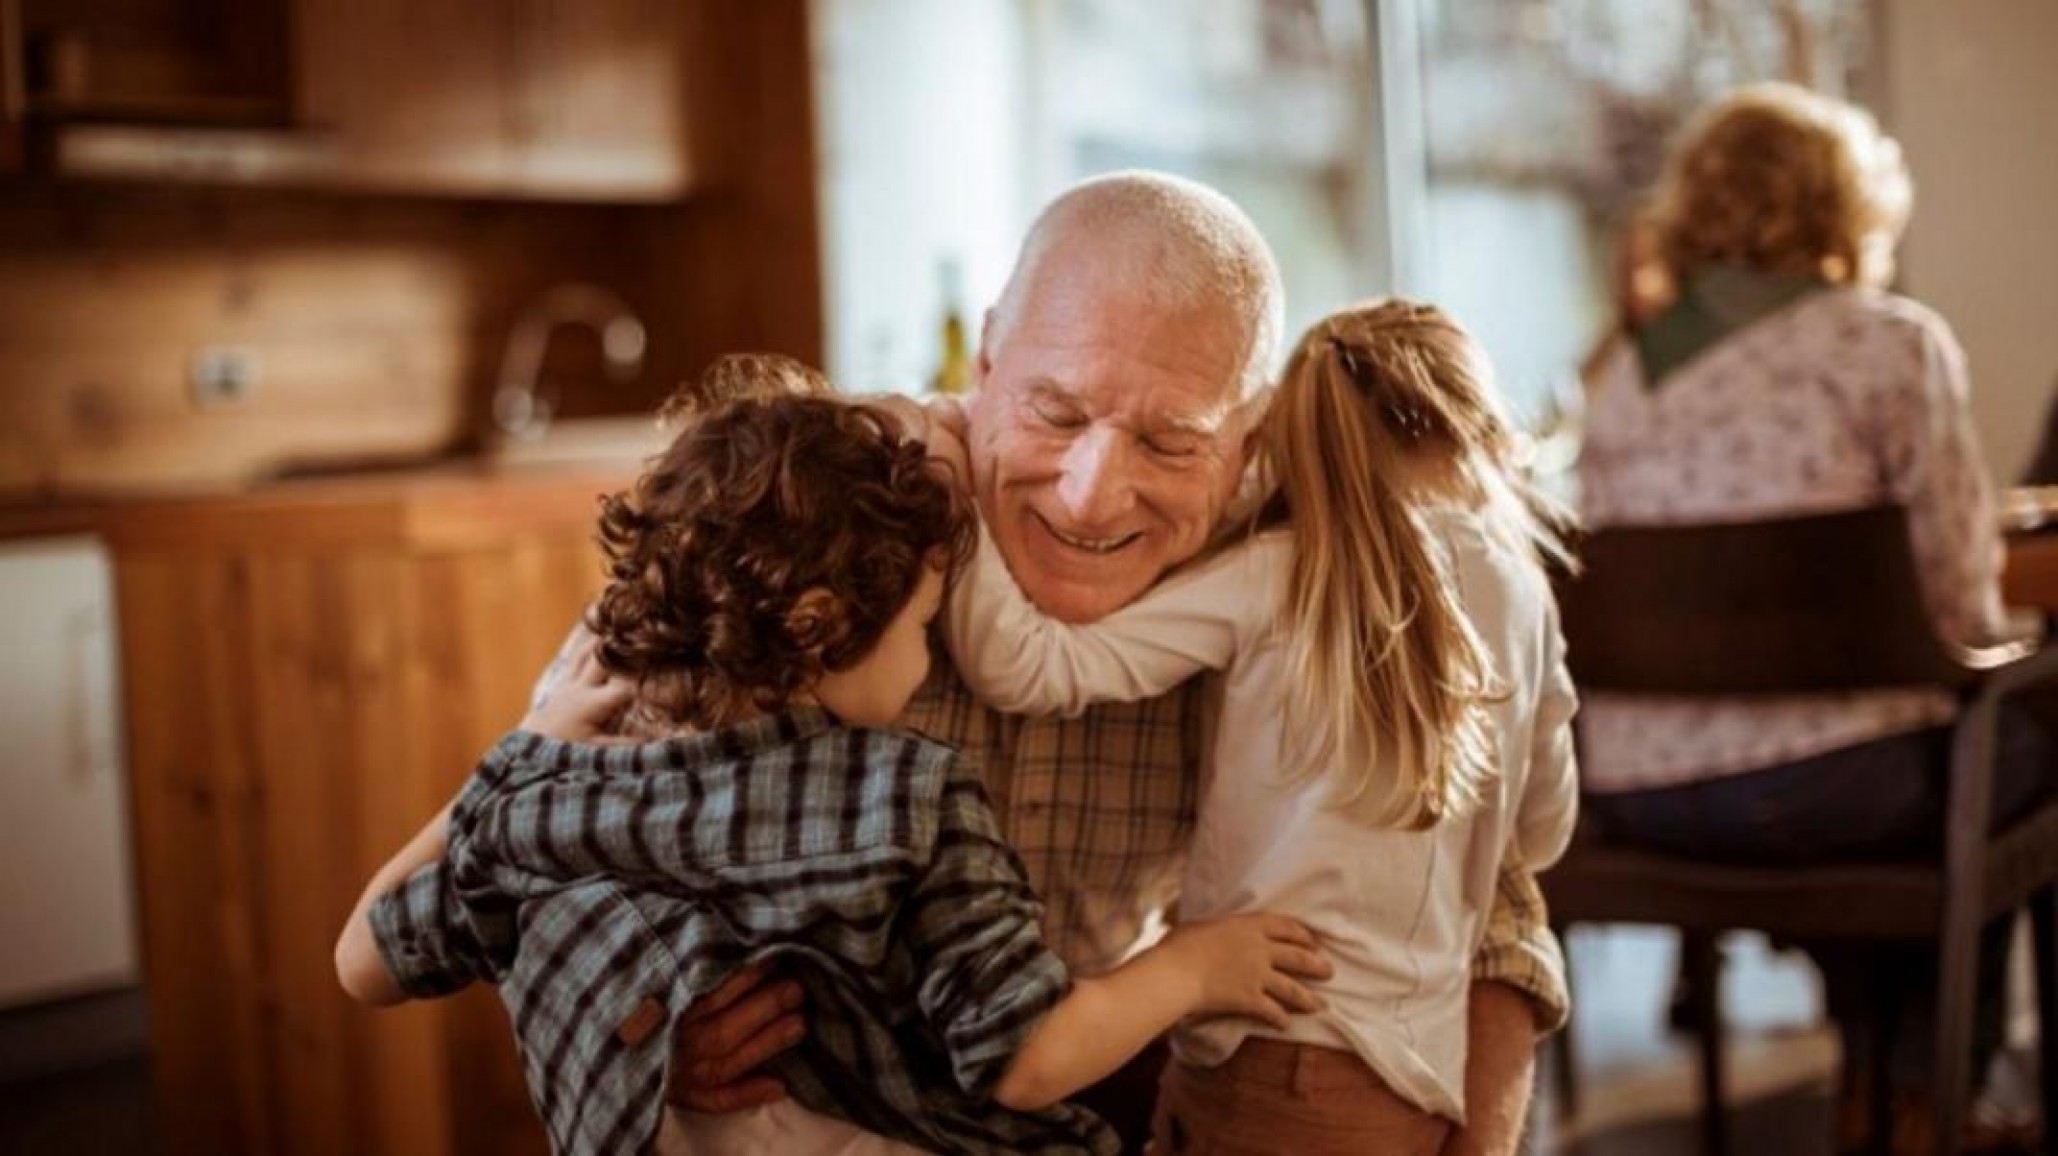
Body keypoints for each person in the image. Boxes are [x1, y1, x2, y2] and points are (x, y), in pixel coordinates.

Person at [534, 172, 1570, 1155]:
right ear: (984, 363)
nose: (1089, 494)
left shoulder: (1281, 579)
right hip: (799, 1101)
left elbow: (1493, 899)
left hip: (1089, 1077)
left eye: (1170, 443)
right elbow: (537, 829)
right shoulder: (821, 506)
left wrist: (1478, 1137)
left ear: (1251, 442)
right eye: (1057, 412)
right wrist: (647, 1011)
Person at [333, 381, 1333, 1156]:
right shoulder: (906, 799)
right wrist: (1198, 964)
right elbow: (1026, 1057)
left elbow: (363, 962)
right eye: (923, 629)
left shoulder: (563, 787)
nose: (930, 655)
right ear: (820, 626)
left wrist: (521, 760)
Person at [935, 298, 1579, 1154]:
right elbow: (1541, 835)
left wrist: (952, 476)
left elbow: (1022, 665)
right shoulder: (1525, 592)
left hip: (1262, 1045)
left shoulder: (1276, 572)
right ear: (1478, 423)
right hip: (1416, 1071)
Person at [1577, 83, 2055, 1155]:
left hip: (1638, 792)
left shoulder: (1625, 374)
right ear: (1847, 208)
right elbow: (1958, 606)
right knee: (2010, 749)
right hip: (1832, 791)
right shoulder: (1890, 343)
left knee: (1923, 766)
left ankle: (1878, 1091)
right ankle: (1937, 1102)